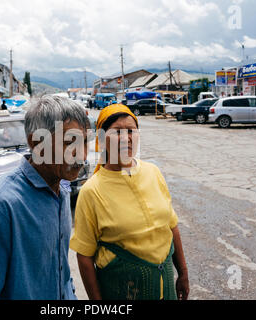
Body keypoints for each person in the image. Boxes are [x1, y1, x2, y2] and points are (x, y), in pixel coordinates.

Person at [0, 95, 90, 300]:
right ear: (37, 143)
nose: (81, 155)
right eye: (69, 142)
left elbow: (62, 272)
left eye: (84, 141)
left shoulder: (62, 192)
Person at [70, 104, 189, 300]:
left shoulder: (153, 172)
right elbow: (84, 257)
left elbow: (172, 226)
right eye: (117, 132)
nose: (126, 138)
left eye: (131, 131)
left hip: (165, 288)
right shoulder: (92, 191)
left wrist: (183, 273)